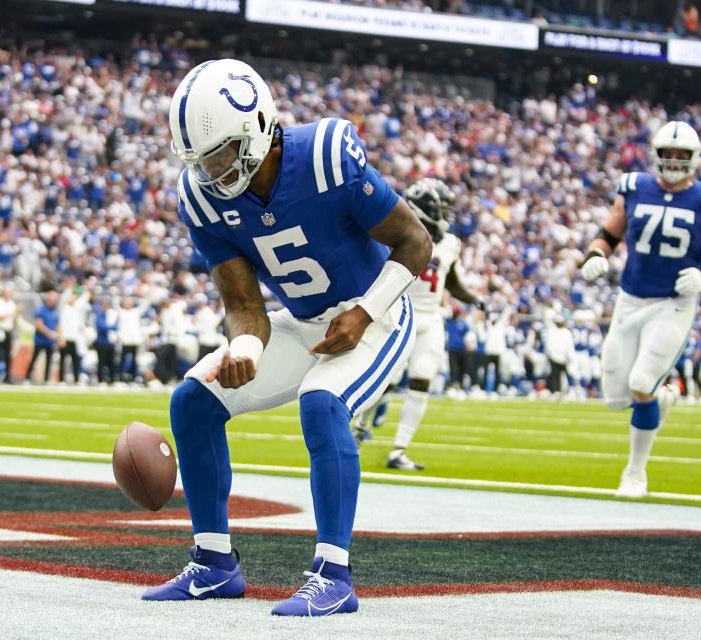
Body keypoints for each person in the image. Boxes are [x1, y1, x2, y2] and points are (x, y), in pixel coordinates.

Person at [142, 59, 430, 615]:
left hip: (378, 314)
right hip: (303, 321)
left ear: (257, 128)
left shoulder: (326, 156)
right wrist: (244, 349)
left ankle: (334, 575)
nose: (210, 171)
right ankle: (213, 564)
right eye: (199, 160)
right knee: (194, 402)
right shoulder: (202, 198)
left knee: (322, 403)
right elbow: (245, 305)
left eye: (220, 154)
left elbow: (416, 242)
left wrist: (367, 312)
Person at [580, 120, 701, 498]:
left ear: (694, 158)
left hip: (673, 302)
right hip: (630, 298)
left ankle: (635, 474)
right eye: (668, 153)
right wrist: (594, 255)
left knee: (642, 383)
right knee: (615, 396)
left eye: (681, 155)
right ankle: (663, 398)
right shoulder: (635, 186)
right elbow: (609, 233)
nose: (673, 160)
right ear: (656, 154)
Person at [352, 179, 481, 470]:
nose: (447, 213)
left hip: (432, 319)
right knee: (386, 381)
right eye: (442, 207)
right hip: (399, 314)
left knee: (422, 379)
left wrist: (475, 299)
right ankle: (360, 429)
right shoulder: (398, 233)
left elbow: (451, 281)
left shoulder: (450, 243)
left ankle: (399, 450)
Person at [27, 289, 59, 384]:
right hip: (40, 339)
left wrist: (59, 336)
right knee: (34, 358)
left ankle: (46, 379)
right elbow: (38, 324)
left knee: (49, 360)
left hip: (50, 341)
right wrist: (49, 333)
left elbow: (57, 324)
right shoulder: (41, 309)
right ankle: (27, 377)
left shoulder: (55, 311)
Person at [93, 297, 119, 384]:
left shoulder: (110, 315)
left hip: (109, 342)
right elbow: (102, 327)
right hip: (101, 342)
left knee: (111, 362)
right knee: (101, 362)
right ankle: (100, 380)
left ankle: (111, 380)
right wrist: (111, 327)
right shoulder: (99, 315)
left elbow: (116, 326)